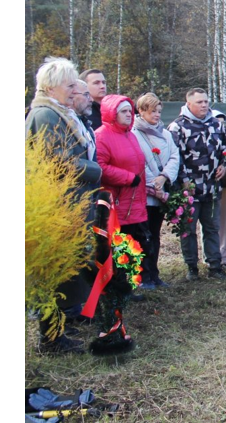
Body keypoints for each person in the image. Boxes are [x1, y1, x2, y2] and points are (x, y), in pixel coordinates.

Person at [26, 57, 102, 353]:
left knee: (65, 268)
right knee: (52, 273)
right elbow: (59, 161)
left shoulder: (59, 114)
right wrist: (98, 170)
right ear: (51, 86)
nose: (74, 90)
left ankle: (58, 331)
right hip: (57, 207)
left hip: (69, 204)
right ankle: (51, 338)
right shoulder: (45, 115)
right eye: (70, 85)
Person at [168, 88, 226, 280]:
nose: (204, 105)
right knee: (188, 230)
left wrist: (224, 164)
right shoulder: (177, 127)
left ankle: (214, 265)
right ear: (188, 104)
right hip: (188, 190)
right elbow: (173, 157)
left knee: (212, 227)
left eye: (205, 101)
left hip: (212, 188)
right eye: (199, 102)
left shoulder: (216, 124)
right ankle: (191, 267)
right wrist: (184, 181)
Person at [95, 94, 149, 299]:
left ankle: (130, 284)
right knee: (118, 245)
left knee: (133, 243)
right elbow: (100, 166)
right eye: (124, 112)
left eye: (130, 111)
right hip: (116, 201)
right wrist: (127, 178)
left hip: (134, 200)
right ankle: (118, 288)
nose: (129, 115)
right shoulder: (102, 135)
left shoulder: (130, 134)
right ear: (112, 114)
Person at [131, 92, 180, 289]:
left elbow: (175, 157)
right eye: (152, 111)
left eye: (159, 111)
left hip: (161, 192)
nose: (157, 115)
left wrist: (164, 177)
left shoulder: (166, 134)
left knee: (155, 234)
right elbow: (136, 163)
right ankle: (143, 275)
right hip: (144, 195)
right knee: (143, 236)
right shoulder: (133, 134)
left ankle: (155, 273)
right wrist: (153, 185)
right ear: (141, 111)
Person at [212, 111, 226, 267]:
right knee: (209, 223)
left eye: (223, 122)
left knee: (224, 222)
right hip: (206, 186)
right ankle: (211, 255)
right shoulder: (205, 139)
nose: (221, 125)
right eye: (217, 122)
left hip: (225, 186)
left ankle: (224, 255)